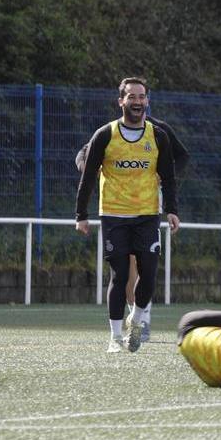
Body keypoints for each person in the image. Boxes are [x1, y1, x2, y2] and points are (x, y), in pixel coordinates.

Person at [75, 77, 181, 353]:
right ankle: (115, 337)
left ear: (147, 101)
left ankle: (137, 316)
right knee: (119, 275)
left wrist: (172, 210)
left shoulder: (158, 136)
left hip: (147, 214)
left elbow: (169, 176)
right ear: (121, 101)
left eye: (141, 97)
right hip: (114, 214)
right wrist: (81, 214)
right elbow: (88, 176)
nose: (137, 101)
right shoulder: (105, 135)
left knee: (150, 274)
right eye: (131, 97)